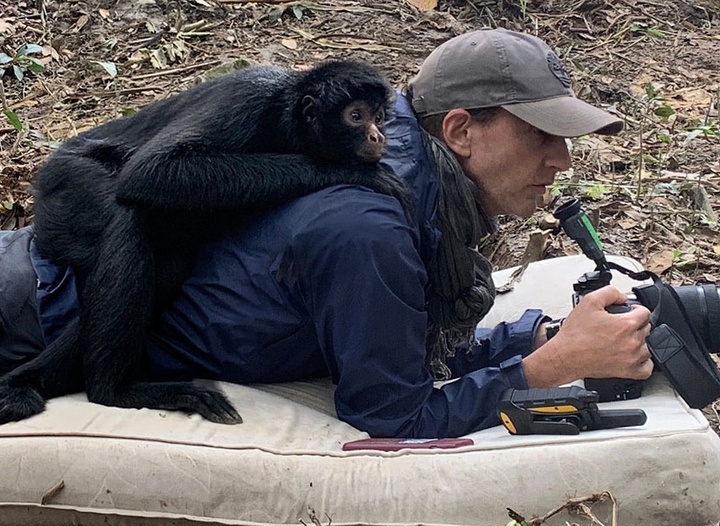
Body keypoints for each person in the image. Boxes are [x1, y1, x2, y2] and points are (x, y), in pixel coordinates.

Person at [0, 28, 653, 437]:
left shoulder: (419, 195)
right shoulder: (370, 228)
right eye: (541, 134)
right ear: (458, 132)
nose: (563, 160)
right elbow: (394, 414)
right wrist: (549, 370)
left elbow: (395, 345)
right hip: (44, 307)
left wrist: (531, 338)